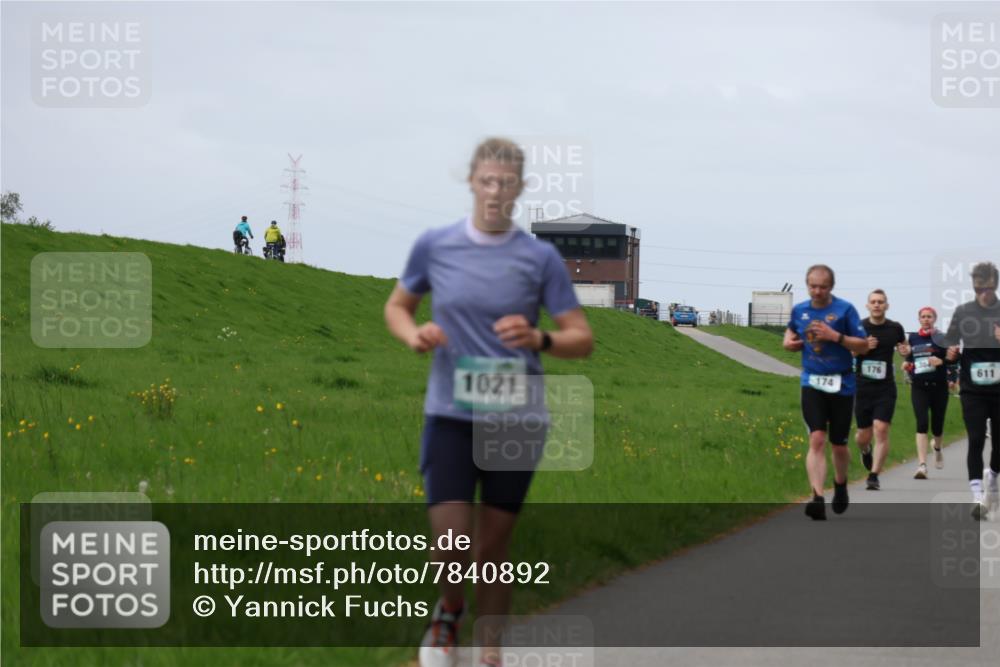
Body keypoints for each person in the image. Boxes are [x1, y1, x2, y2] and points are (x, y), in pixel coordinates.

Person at [384, 138, 593, 667]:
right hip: (450, 414)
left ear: (520, 188)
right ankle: (450, 610)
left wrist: (540, 338)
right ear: (471, 181)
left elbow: (581, 338)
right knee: (452, 545)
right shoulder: (435, 245)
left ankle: (491, 649)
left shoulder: (538, 257)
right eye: (487, 181)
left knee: (491, 551)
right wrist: (414, 335)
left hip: (515, 417)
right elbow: (398, 306)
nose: (496, 191)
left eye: (506, 182)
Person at [784, 265, 869, 520]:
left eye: (822, 286)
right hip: (812, 382)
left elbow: (863, 345)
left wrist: (836, 336)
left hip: (842, 384)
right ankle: (818, 497)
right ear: (807, 285)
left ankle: (841, 484)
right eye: (812, 286)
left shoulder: (845, 310)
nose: (817, 291)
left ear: (831, 287)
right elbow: (790, 334)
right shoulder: (800, 310)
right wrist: (788, 343)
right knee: (817, 438)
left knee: (839, 445)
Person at [943, 261, 1000, 520]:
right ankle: (977, 496)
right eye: (978, 288)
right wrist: (952, 354)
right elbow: (949, 349)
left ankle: (993, 478)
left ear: (995, 285)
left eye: (987, 287)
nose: (983, 293)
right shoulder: (963, 312)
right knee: (976, 439)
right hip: (972, 390)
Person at [853, 289, 907, 491]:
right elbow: (848, 351)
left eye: (881, 302)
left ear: (887, 306)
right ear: (868, 306)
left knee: (882, 430)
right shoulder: (858, 327)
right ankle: (865, 450)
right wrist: (863, 347)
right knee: (862, 435)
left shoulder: (895, 328)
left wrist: (905, 351)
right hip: (863, 387)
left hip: (885, 388)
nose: (877, 305)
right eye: (873, 302)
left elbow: (904, 347)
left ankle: (874, 475)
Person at [900, 306, 956, 478]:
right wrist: (906, 365)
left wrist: (943, 363)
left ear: (934, 319)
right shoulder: (914, 338)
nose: (926, 319)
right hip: (919, 387)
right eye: (923, 316)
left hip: (939, 387)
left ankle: (937, 449)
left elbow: (952, 360)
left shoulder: (942, 337)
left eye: (929, 316)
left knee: (937, 426)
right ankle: (922, 465)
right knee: (922, 423)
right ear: (919, 319)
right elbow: (911, 359)